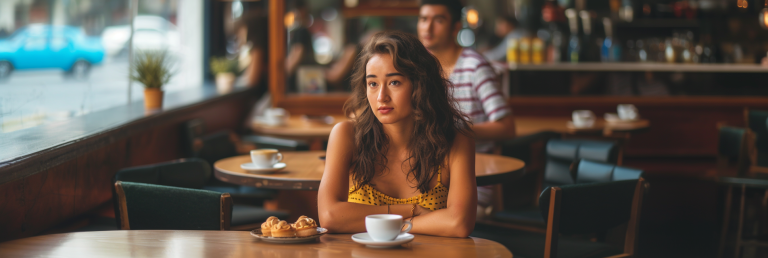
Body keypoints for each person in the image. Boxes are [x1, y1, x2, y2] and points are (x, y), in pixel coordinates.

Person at [318, 31, 477, 237]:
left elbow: (459, 222)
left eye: (394, 82)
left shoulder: (456, 139)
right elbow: (330, 216)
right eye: (373, 84)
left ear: (420, 85)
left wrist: (395, 225)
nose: (381, 97)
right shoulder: (347, 135)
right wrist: (414, 212)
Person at [417, 0, 516, 218]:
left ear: (455, 27)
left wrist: (455, 132)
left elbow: (507, 127)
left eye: (438, 20)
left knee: (423, 219)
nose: (428, 27)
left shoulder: (475, 66)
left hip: (475, 178)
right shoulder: (418, 68)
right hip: (428, 178)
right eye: (423, 19)